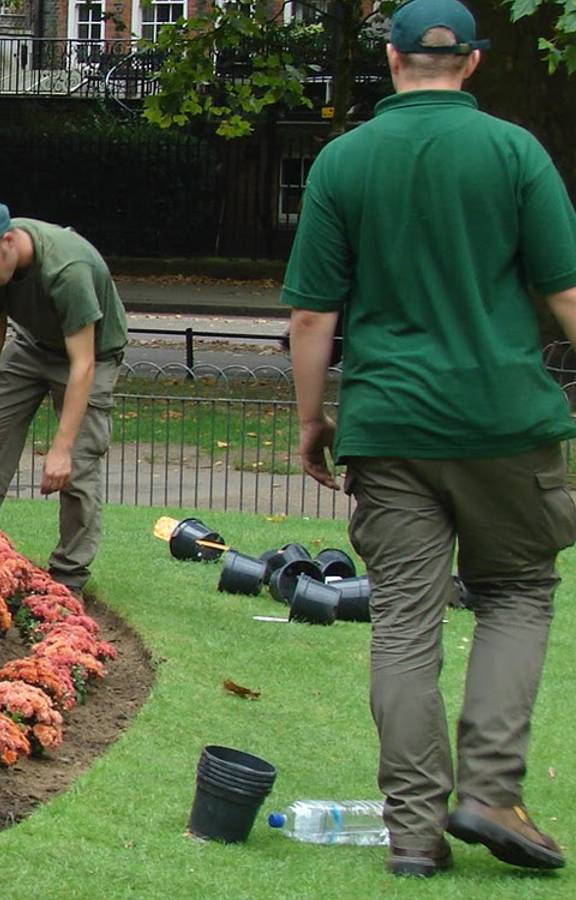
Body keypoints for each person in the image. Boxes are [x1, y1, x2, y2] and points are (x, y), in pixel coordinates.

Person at [283, 0, 576, 877]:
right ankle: (489, 791)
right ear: (474, 63)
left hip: (388, 425)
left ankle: (413, 834)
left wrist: (311, 421)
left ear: (392, 56)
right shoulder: (516, 152)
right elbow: (564, 294)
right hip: (505, 424)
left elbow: (311, 314)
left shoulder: (343, 158)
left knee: (403, 625)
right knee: (518, 593)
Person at [0, 197, 127, 594]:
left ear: (9, 240)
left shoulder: (67, 268)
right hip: (31, 346)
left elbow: (83, 365)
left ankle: (68, 578)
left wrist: (62, 447)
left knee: (76, 466)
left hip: (89, 355)